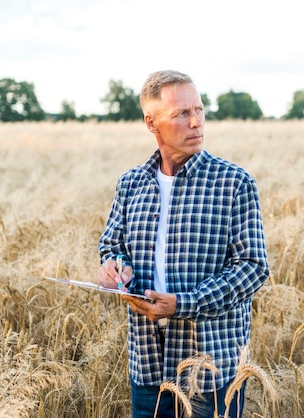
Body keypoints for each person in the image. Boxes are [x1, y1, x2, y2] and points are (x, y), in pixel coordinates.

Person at [97, 70, 269, 417]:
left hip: (210, 370)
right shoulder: (131, 184)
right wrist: (114, 267)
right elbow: (111, 245)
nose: (196, 123)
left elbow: (253, 268)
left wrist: (182, 304)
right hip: (147, 366)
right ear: (152, 122)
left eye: (199, 110)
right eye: (181, 114)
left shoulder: (233, 183)